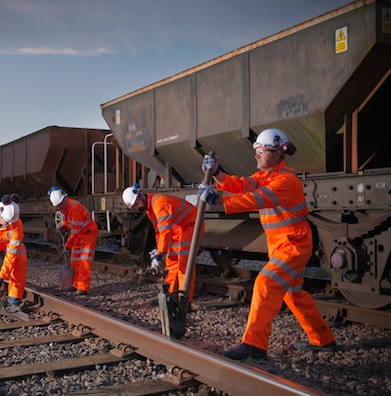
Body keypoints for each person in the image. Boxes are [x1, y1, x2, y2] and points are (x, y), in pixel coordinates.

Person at [199, 128, 336, 360]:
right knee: (293, 294)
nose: (256, 155)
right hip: (282, 244)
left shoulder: (285, 181)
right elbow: (241, 186)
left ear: (276, 152)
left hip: (294, 244)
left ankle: (254, 345)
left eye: (260, 151)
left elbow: (254, 199)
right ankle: (323, 338)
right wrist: (217, 173)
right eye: (256, 151)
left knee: (265, 282)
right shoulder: (266, 177)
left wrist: (217, 199)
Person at [122, 183, 202, 300]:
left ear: (140, 195)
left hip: (191, 225)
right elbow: (159, 231)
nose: (137, 207)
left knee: (184, 262)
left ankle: (185, 301)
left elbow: (164, 231)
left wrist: (159, 254)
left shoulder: (158, 204)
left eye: (137, 203)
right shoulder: (149, 209)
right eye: (134, 206)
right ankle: (170, 296)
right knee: (172, 262)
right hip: (179, 228)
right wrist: (158, 250)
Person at [47, 186, 98, 295]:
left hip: (88, 234)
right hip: (81, 234)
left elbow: (75, 230)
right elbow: (70, 222)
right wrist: (64, 226)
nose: (59, 208)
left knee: (84, 260)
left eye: (59, 205)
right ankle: (75, 284)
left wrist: (67, 246)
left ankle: (83, 287)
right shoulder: (66, 208)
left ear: (63, 200)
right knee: (75, 260)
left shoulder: (74, 208)